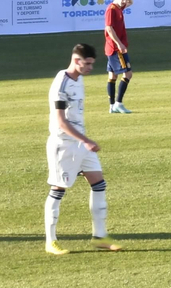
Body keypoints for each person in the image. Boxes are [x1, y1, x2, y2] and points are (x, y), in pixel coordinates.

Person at [43, 44, 120, 254]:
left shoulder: (79, 80)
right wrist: (85, 140)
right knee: (58, 190)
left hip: (81, 143)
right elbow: (60, 121)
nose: (90, 68)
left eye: (92, 64)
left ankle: (100, 236)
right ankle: (51, 241)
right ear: (76, 61)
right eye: (87, 63)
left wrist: (84, 141)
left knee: (99, 183)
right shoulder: (62, 84)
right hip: (64, 145)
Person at [103, 0, 134, 114]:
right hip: (116, 48)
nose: (125, 1)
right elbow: (109, 28)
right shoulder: (111, 9)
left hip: (111, 47)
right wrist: (119, 44)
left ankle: (111, 106)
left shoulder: (119, 8)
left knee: (112, 76)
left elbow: (131, 2)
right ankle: (118, 103)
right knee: (128, 74)